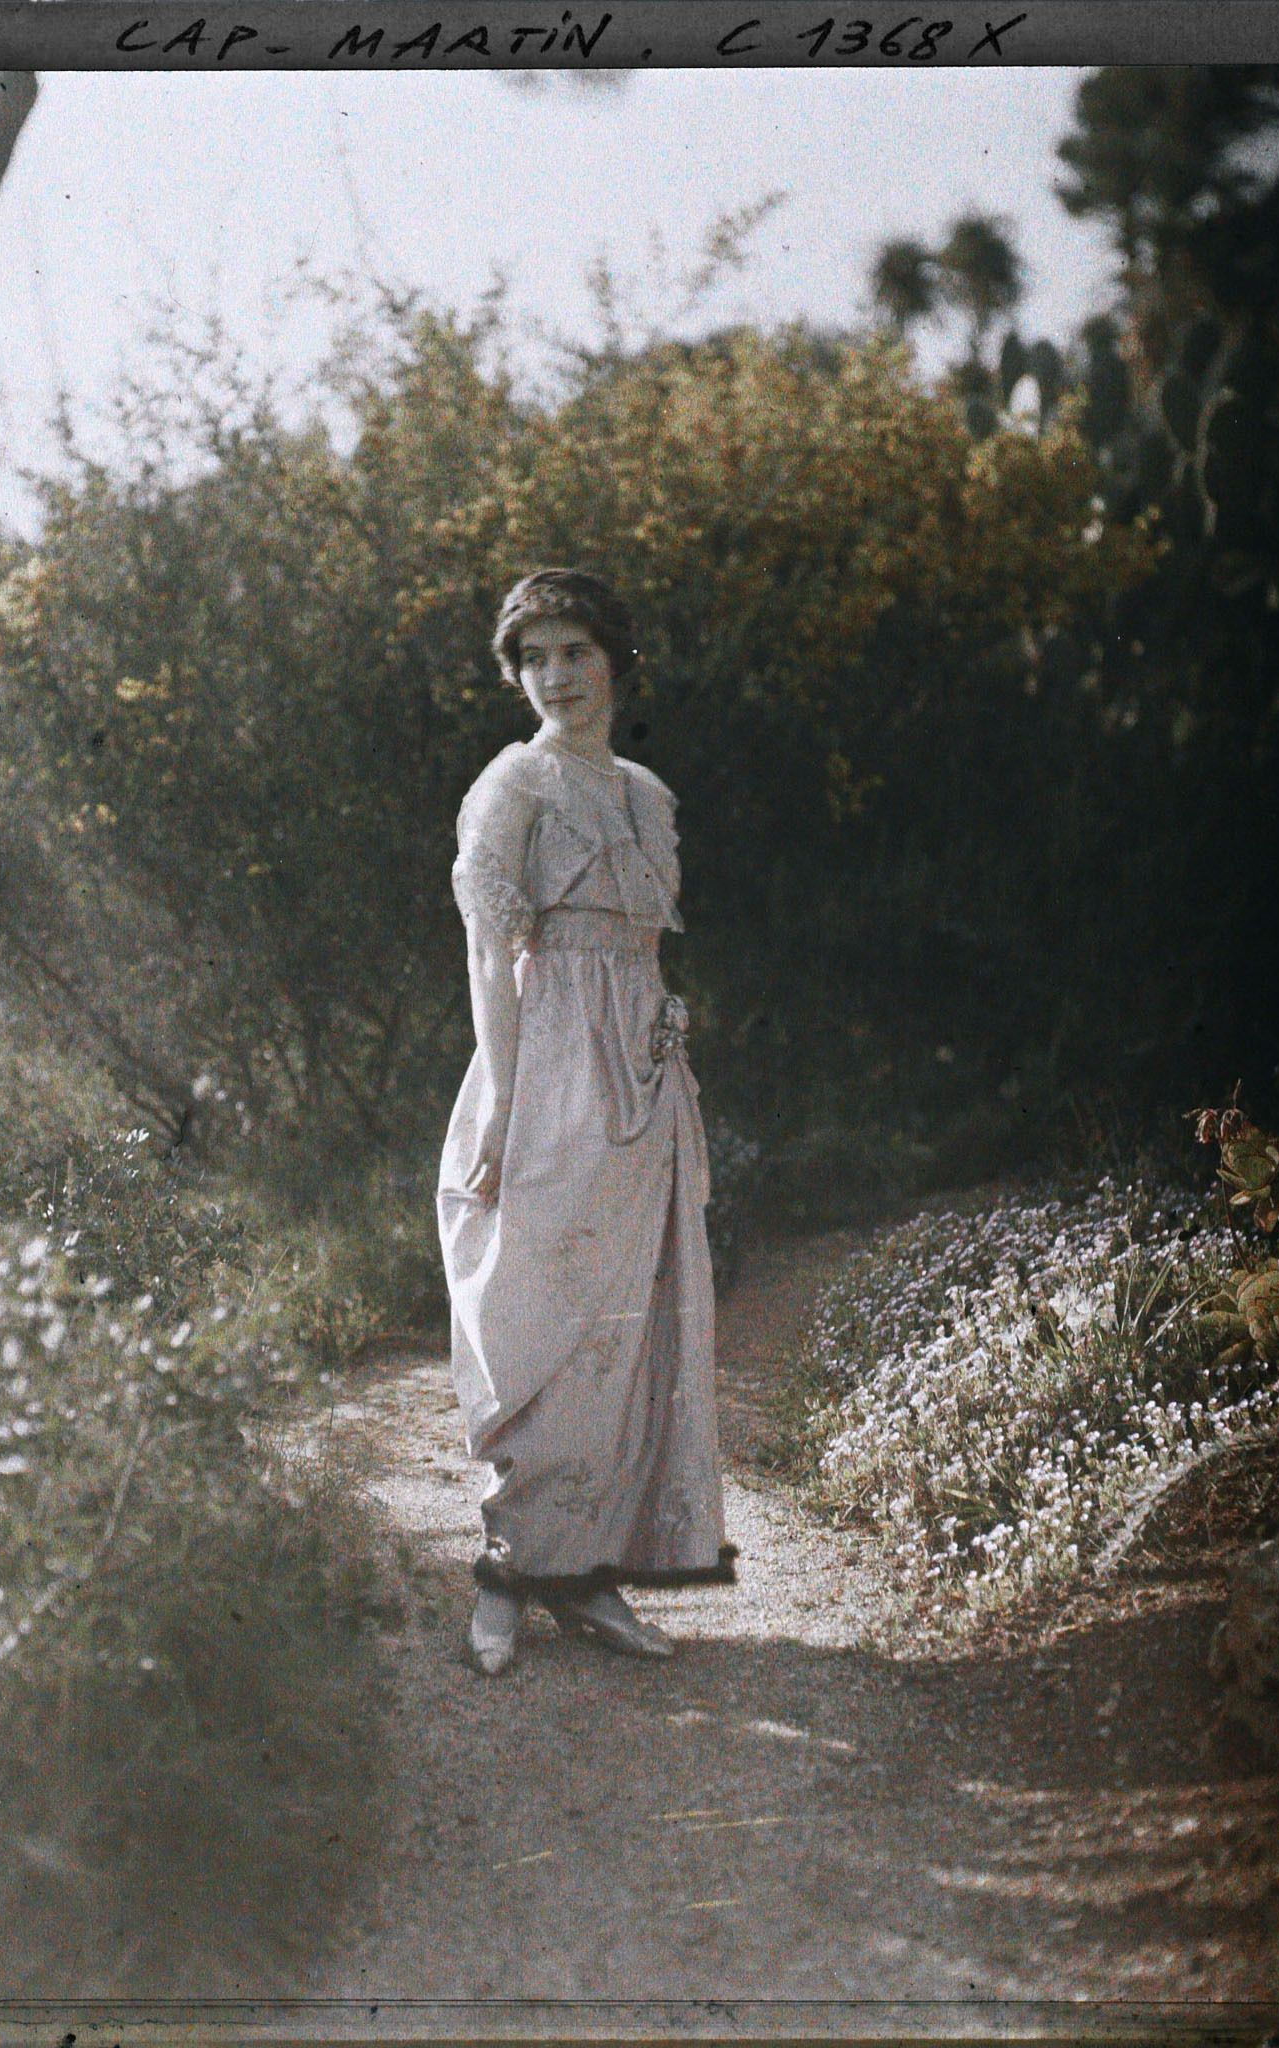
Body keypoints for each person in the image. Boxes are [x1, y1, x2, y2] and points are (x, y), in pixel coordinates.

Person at [436, 567, 736, 1677]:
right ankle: (509, 1572)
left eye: (575, 651)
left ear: (615, 660)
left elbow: (644, 947)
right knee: (533, 1315)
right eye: (535, 658)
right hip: (549, 1063)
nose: (556, 677)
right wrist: (508, 1103)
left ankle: (590, 1576)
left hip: (643, 1075)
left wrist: (663, 1039)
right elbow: (488, 954)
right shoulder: (512, 785)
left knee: (624, 1322)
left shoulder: (646, 794)